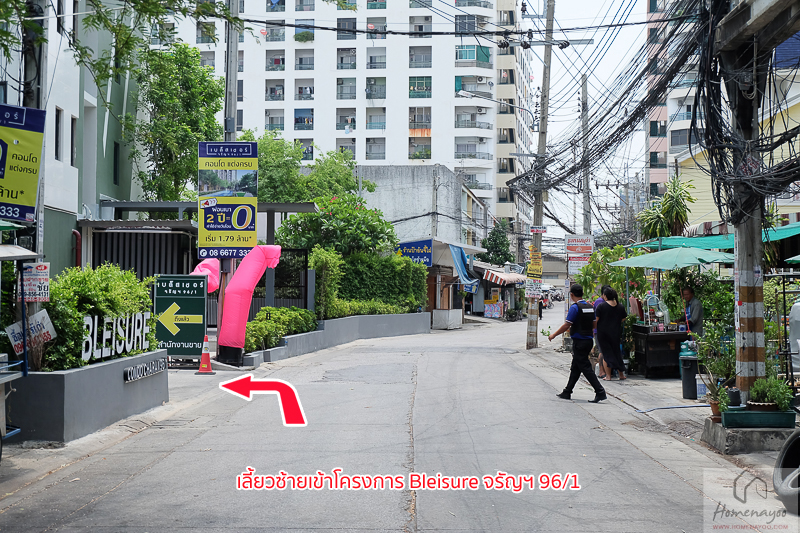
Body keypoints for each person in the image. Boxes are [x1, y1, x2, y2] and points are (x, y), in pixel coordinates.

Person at [548, 284, 607, 403]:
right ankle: (567, 391)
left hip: (579, 342)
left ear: (571, 295)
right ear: (582, 293)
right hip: (588, 341)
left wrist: (554, 335)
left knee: (585, 367)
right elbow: (594, 324)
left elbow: (567, 324)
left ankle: (600, 391)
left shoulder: (575, 308)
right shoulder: (590, 306)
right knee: (575, 367)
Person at [595, 286, 628, 381]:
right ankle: (621, 375)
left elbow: (596, 320)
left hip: (603, 334)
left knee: (606, 354)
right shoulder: (620, 306)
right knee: (617, 352)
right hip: (615, 333)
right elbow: (624, 318)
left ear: (605, 296)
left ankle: (608, 376)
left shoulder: (601, 306)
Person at [593, 285, 612, 378]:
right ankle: (601, 371)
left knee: (603, 350)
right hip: (599, 330)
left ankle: (604, 370)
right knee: (602, 351)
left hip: (603, 330)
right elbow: (597, 317)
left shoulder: (604, 302)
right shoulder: (600, 302)